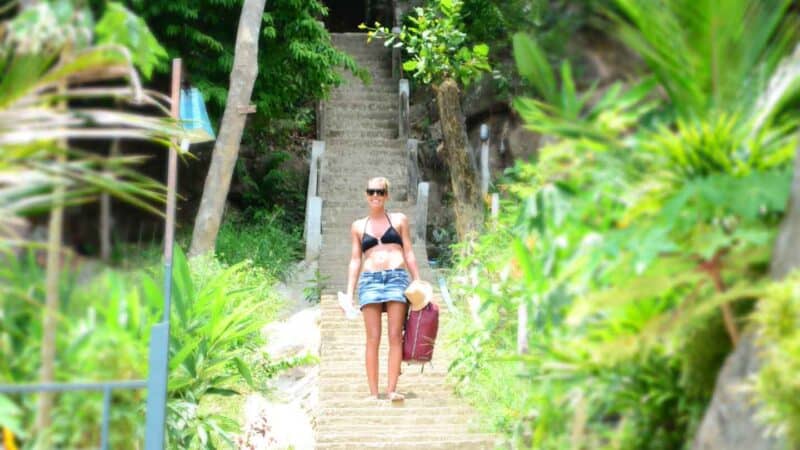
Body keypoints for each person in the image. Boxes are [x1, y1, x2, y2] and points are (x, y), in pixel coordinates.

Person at [342, 176, 420, 402]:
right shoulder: (358, 226)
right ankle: (373, 393)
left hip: (396, 278)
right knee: (372, 338)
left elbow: (409, 252)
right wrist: (349, 293)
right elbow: (355, 260)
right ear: (366, 195)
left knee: (396, 336)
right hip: (370, 280)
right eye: (371, 191)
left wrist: (417, 280)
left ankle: (392, 389)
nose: (375, 195)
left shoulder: (399, 220)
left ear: (386, 195)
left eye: (380, 192)